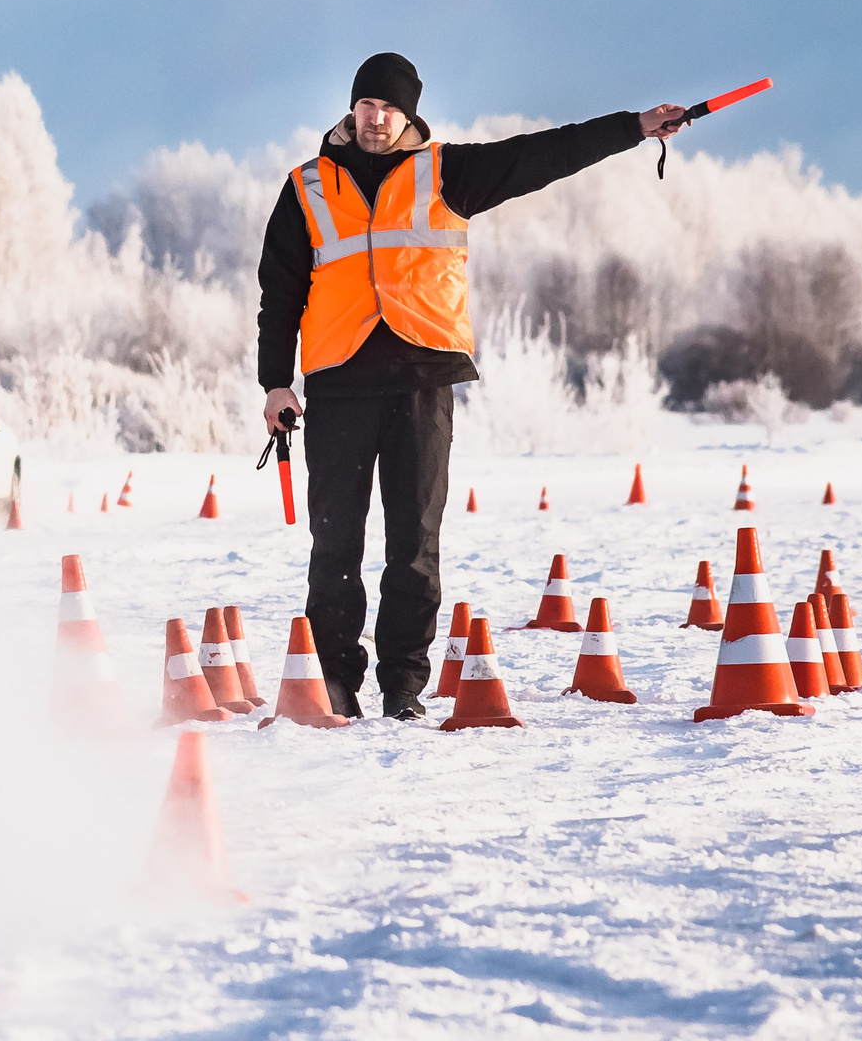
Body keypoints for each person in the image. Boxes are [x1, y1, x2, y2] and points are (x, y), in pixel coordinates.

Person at [255, 52, 686, 721]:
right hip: (338, 384)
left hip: (422, 384)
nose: (376, 117)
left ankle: (403, 686)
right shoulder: (307, 187)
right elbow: (280, 291)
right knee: (334, 545)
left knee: (414, 544)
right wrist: (275, 383)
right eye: (367, 105)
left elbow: (546, 153)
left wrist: (633, 127)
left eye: (388, 108)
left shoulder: (446, 172)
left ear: (408, 115)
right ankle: (335, 681)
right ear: (352, 108)